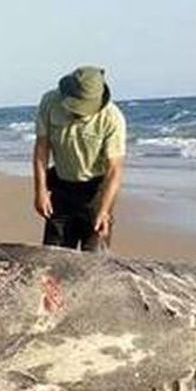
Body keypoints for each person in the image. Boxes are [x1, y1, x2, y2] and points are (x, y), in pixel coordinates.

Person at [32, 66, 126, 252]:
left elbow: (114, 169)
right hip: (61, 184)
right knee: (54, 256)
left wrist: (104, 210)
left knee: (95, 259)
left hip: (96, 190)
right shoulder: (50, 102)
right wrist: (40, 191)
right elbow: (42, 149)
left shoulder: (112, 118)